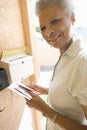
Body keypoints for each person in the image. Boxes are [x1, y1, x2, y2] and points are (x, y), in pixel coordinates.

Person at [26, 0, 87, 130]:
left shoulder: (82, 62)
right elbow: (74, 93)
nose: (48, 32)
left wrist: (44, 109)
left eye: (55, 21)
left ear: (73, 18)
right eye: (43, 28)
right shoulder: (65, 54)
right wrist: (45, 90)